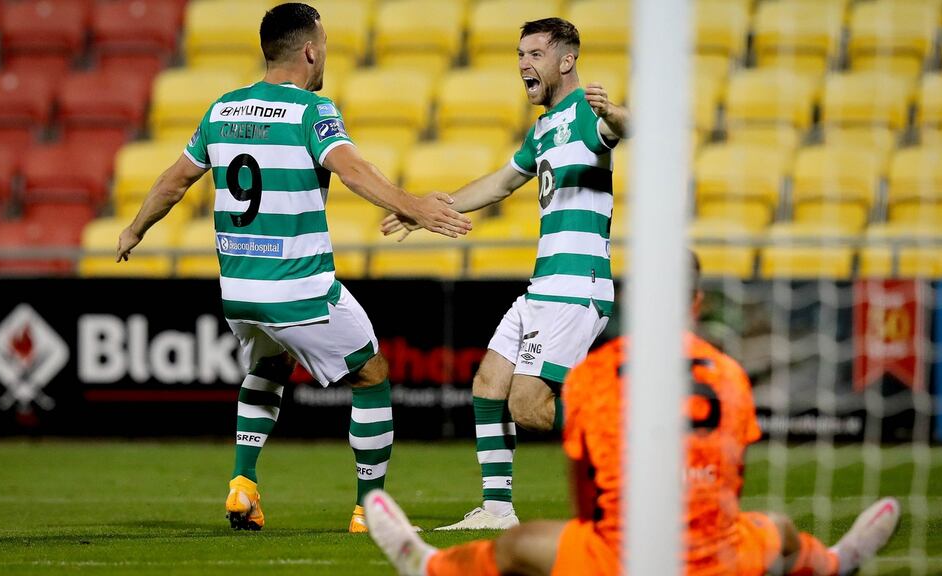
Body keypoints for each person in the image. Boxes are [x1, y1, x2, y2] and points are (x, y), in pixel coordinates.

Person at [115, 2, 472, 533]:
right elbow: (350, 168)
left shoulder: (221, 110)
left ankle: (243, 486)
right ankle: (370, 513)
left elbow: (173, 180)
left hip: (239, 290)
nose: (324, 53)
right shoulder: (312, 111)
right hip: (298, 287)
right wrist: (412, 204)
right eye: (323, 44)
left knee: (270, 367)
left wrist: (135, 228)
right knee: (372, 375)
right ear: (309, 49)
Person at [363, 253, 901, 576]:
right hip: (713, 556)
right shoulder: (730, 375)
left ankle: (426, 563)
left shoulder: (602, 374)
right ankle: (835, 562)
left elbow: (588, 496)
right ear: (697, 303)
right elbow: (732, 486)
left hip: (623, 557)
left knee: (517, 549)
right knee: (778, 530)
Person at [380, 17, 631, 530]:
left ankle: (631, 444)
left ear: (566, 61)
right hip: (544, 287)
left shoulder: (587, 113)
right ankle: (497, 511)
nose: (523, 64)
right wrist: (422, 210)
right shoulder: (542, 128)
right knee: (488, 384)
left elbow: (622, 128)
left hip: (574, 287)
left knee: (528, 405)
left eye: (535, 54)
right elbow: (498, 184)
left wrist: (616, 112)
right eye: (520, 54)